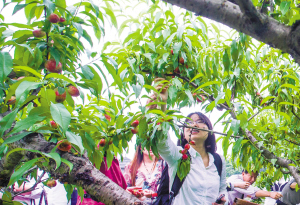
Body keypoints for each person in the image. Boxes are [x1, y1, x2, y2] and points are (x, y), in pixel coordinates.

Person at [153, 78, 228, 204]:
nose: (194, 125)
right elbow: (162, 142)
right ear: (183, 134)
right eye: (188, 123)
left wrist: (223, 200)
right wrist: (162, 107)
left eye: (199, 121)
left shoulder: (219, 161)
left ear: (209, 130)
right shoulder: (179, 156)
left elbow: (222, 189)